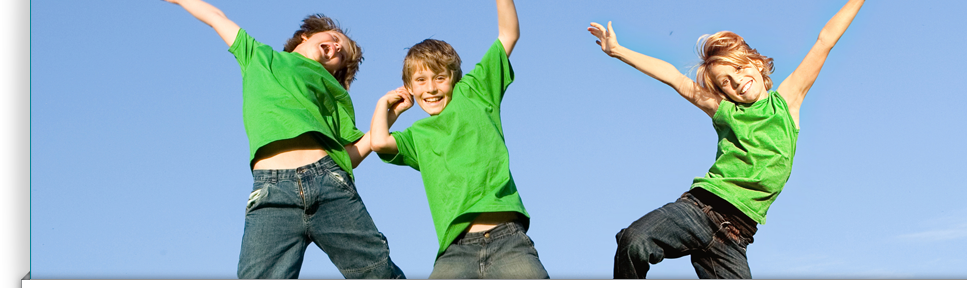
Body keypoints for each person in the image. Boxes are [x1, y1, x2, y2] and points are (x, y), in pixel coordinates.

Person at [587, 0, 865, 279]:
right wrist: (618, 51)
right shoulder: (725, 111)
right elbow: (675, 78)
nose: (737, 81)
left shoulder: (787, 103)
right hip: (697, 210)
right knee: (634, 240)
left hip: (735, 237)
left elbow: (824, 41)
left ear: (757, 64)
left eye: (740, 68)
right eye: (725, 82)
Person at [164, 0, 404, 279]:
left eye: (342, 55)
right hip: (271, 192)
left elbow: (348, 156)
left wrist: (386, 118)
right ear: (306, 36)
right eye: (335, 38)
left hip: (328, 183)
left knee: (378, 273)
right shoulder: (259, 56)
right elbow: (216, 17)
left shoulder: (332, 90)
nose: (338, 48)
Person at [368, 0, 548, 279]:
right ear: (409, 87)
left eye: (439, 78)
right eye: (421, 80)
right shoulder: (417, 135)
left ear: (454, 78)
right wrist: (385, 106)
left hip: (508, 240)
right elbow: (379, 142)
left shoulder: (475, 92)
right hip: (455, 250)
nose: (431, 88)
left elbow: (509, 34)